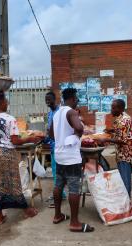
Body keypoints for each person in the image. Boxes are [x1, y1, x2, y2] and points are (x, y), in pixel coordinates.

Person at [0, 92, 40, 225]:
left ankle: (0, 215)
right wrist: (30, 138)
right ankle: (26, 210)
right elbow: (15, 141)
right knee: (14, 182)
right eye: (6, 100)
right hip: (8, 154)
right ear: (0, 102)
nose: (7, 103)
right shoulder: (10, 119)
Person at [50, 88, 94, 233]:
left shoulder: (57, 113)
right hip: (71, 157)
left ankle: (57, 215)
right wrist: (76, 135)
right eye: (77, 99)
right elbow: (79, 127)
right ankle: (75, 223)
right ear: (73, 99)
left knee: (59, 185)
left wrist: (62, 138)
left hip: (59, 155)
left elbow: (50, 133)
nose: (77, 102)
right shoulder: (71, 112)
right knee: (74, 189)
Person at [99, 99, 132, 197]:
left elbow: (123, 140)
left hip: (125, 155)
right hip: (124, 153)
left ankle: (127, 204)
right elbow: (122, 132)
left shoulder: (124, 121)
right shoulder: (122, 117)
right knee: (124, 178)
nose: (111, 110)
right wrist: (112, 130)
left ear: (120, 109)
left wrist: (106, 140)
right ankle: (126, 202)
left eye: (113, 108)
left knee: (125, 180)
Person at [44, 91, 65, 208]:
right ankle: (61, 194)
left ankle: (59, 196)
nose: (47, 101)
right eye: (46, 99)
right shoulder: (49, 113)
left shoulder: (59, 112)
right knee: (54, 171)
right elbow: (49, 130)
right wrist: (44, 138)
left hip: (59, 147)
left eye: (49, 99)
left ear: (54, 99)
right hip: (52, 147)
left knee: (58, 172)